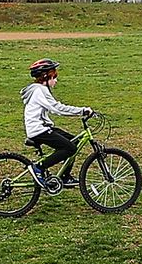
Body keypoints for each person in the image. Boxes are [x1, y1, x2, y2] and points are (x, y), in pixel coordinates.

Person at [21, 58, 92, 192]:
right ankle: (39, 167)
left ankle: (64, 177)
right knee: (70, 148)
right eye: (54, 77)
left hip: (43, 127)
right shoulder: (39, 91)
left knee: (74, 142)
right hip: (38, 130)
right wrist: (81, 111)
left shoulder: (40, 89)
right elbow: (57, 109)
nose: (56, 80)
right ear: (45, 76)